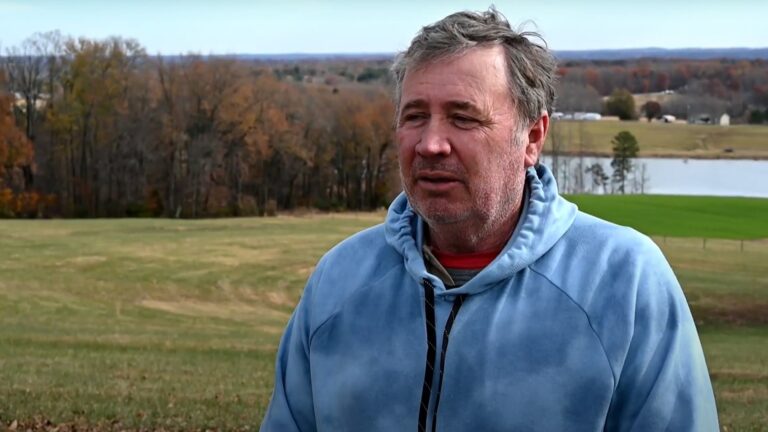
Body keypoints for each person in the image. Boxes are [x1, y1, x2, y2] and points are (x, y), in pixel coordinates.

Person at [260, 8, 719, 432]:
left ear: (532, 137)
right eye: (415, 116)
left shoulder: (624, 281)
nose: (431, 144)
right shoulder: (339, 281)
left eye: (463, 118)